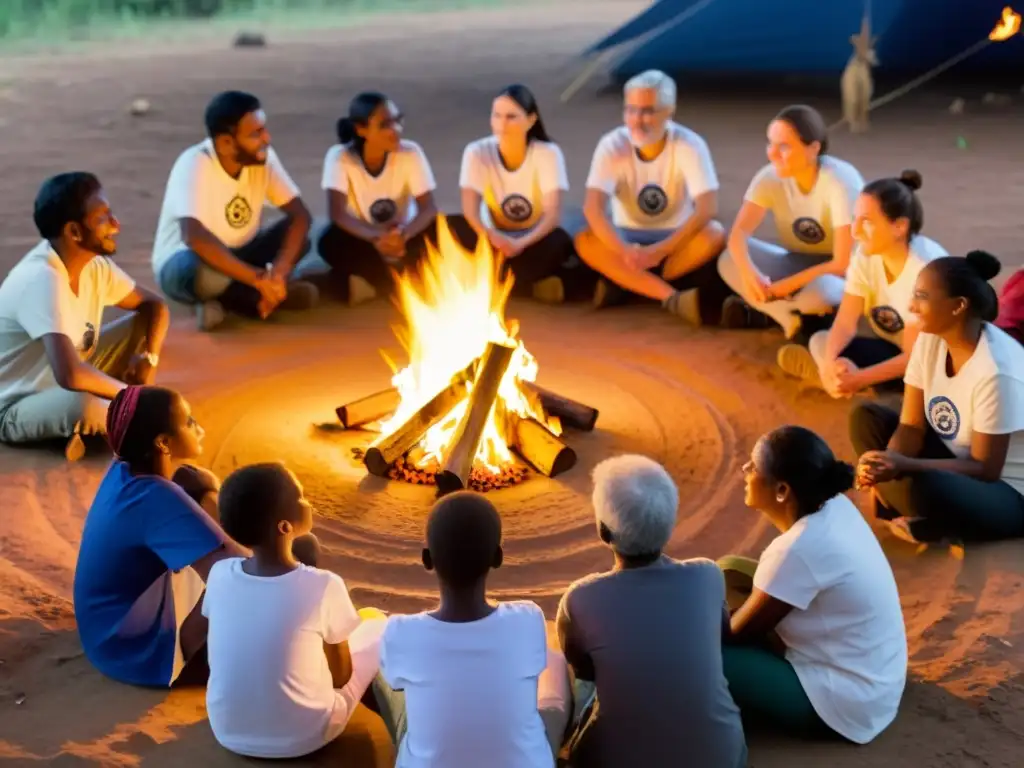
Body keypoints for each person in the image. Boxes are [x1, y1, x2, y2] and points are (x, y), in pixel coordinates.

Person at [556, 454, 747, 768]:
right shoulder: (708, 576)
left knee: (581, 689)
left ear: (604, 532)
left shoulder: (581, 599)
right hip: (723, 757)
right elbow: (722, 635)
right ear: (670, 523)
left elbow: (586, 672)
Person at [720, 426, 906, 745]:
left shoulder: (799, 549)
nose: (745, 470)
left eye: (754, 466)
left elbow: (735, 633)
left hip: (848, 703)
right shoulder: (833, 505)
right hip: (880, 675)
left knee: (709, 655)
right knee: (728, 570)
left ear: (782, 490)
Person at [202, 462, 389, 759]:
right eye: (301, 497)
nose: (307, 502)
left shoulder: (219, 574)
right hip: (305, 736)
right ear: (285, 527)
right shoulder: (324, 584)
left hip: (227, 730)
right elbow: (340, 676)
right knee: (377, 624)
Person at [378, 490, 571, 767]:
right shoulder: (528, 618)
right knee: (552, 669)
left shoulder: (400, 632)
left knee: (399, 687)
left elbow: (395, 685)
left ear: (427, 559)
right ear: (498, 557)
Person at [73, 386, 248, 687]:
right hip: (138, 654)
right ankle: (186, 653)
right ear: (163, 442)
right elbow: (239, 576)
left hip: (104, 634)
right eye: (189, 421)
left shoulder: (123, 469)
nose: (198, 427)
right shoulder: (156, 496)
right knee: (262, 574)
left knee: (199, 483)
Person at [851, 251, 1024, 544]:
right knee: (866, 419)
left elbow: (985, 468)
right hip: (954, 459)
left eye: (922, 296)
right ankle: (923, 514)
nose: (911, 305)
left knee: (922, 486)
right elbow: (912, 426)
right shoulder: (930, 340)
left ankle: (925, 513)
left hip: (1007, 491)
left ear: (958, 306)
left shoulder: (997, 371)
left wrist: (903, 466)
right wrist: (888, 459)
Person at [0, 172, 169, 462]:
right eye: (103, 218)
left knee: (142, 327)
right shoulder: (42, 279)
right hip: (14, 404)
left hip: (65, 373)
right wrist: (137, 398)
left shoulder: (94, 266)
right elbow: (70, 374)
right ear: (74, 232)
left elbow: (154, 306)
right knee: (85, 406)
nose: (115, 225)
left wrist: (148, 359)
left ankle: (92, 425)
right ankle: (99, 420)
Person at [151, 90, 317, 332]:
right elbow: (194, 237)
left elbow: (301, 216)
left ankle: (235, 301)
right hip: (186, 262)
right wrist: (259, 279)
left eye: (264, 129)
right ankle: (248, 299)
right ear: (225, 143)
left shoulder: (263, 158)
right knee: (209, 276)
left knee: (300, 239)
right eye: (256, 134)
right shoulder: (195, 163)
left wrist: (278, 273)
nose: (267, 138)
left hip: (241, 255)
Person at [574, 69, 729, 326]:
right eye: (631, 110)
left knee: (713, 234)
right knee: (586, 240)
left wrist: (659, 251)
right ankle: (670, 297)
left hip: (675, 242)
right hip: (626, 239)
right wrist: (623, 250)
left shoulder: (690, 145)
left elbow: (706, 209)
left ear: (669, 111)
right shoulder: (611, 144)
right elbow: (593, 209)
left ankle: (626, 283)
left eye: (648, 111)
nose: (637, 120)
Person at [777, 170, 947, 396]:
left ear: (899, 227)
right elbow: (845, 323)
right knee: (822, 340)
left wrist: (858, 378)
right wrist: (830, 364)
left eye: (866, 221)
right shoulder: (866, 255)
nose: (855, 231)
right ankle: (836, 380)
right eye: (855, 218)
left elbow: (914, 356)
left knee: (917, 383)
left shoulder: (925, 272)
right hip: (890, 349)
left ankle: (854, 386)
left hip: (933, 365)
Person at [718, 105, 865, 338]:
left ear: (813, 148)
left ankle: (766, 312)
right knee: (729, 260)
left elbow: (842, 263)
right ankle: (788, 320)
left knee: (821, 294)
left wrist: (783, 287)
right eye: (770, 143)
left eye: (784, 146)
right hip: (797, 261)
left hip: (842, 273)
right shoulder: (770, 176)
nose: (772, 153)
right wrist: (751, 275)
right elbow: (738, 236)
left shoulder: (840, 181)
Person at [448, 84, 588, 304]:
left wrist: (521, 243)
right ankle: (527, 286)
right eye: (497, 116)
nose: (502, 124)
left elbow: (552, 216)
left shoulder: (547, 153)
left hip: (533, 239)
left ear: (531, 120)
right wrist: (491, 236)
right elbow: (470, 210)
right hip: (492, 237)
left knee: (560, 243)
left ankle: (492, 285)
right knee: (447, 228)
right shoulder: (476, 152)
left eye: (511, 117)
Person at [318, 92, 440, 306]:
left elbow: (428, 208)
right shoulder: (340, 157)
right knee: (329, 241)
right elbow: (337, 214)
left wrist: (403, 234)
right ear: (361, 130)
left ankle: (373, 281)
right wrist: (376, 238)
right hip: (363, 239)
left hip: (405, 236)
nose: (396, 130)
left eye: (398, 121)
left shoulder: (410, 153)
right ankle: (398, 283)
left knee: (449, 228)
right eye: (385, 125)